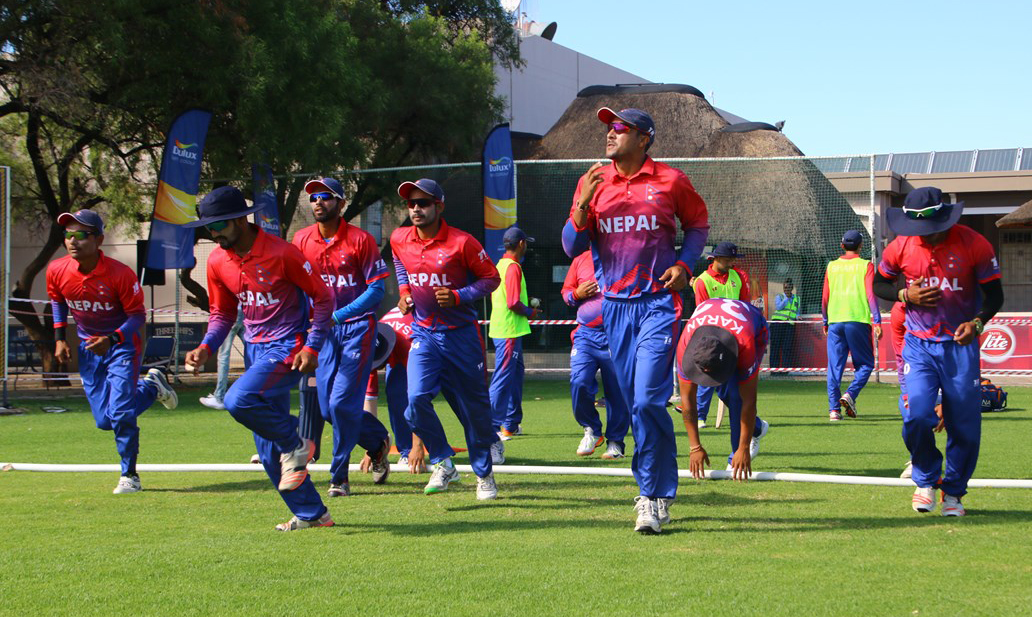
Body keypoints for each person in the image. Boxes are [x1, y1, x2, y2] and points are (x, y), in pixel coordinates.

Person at [562, 107, 709, 534]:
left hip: (658, 304)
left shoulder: (671, 180)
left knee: (646, 401)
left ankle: (650, 494)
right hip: (615, 308)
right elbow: (570, 245)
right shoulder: (593, 181)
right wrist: (583, 203)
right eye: (609, 128)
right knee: (634, 405)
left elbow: (697, 224)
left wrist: (685, 264)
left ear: (644, 138)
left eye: (620, 128)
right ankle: (660, 488)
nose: (610, 134)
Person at [183, 186, 334, 531]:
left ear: (240, 220)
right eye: (208, 227)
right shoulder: (217, 261)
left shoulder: (283, 253)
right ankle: (313, 514)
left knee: (238, 399)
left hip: (288, 347)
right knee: (267, 451)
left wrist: (313, 346)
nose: (213, 234)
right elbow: (222, 313)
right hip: (256, 351)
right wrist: (206, 346)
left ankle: (297, 442)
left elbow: (324, 298)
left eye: (218, 225)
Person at [872, 186, 1003, 517]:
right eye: (919, 230)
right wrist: (904, 295)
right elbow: (879, 284)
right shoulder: (900, 246)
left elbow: (995, 296)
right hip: (919, 345)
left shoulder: (975, 244)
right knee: (917, 415)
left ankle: (954, 493)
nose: (926, 236)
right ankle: (926, 479)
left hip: (960, 347)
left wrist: (977, 322)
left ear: (946, 219)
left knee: (964, 425)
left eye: (932, 229)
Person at [47, 210, 178, 494]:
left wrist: (112, 338)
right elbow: (57, 300)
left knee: (119, 413)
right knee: (105, 421)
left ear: (99, 240)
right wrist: (59, 338)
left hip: (122, 346)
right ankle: (151, 388)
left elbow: (137, 316)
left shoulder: (120, 273)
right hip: (89, 350)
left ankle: (130, 475)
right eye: (68, 234)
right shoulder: (57, 270)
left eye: (81, 235)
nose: (72, 240)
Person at [390, 178, 503, 500]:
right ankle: (443, 460)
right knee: (415, 401)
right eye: (411, 203)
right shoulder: (399, 238)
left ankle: (484, 475)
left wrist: (458, 295)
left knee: (473, 412)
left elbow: (491, 279)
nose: (416, 209)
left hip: (461, 337)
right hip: (424, 333)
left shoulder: (462, 242)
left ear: (439, 206)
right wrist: (404, 292)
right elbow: (399, 263)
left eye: (423, 203)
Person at [292, 177, 392, 497]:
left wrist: (338, 315)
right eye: (313, 197)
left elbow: (377, 290)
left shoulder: (361, 240)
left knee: (340, 403)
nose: (318, 202)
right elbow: (296, 286)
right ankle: (377, 442)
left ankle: (339, 478)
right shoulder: (301, 239)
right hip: (322, 332)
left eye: (325, 196)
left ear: (341, 203)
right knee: (327, 409)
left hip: (358, 328)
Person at [676, 298, 769, 482]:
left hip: (753, 328)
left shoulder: (745, 343)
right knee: (725, 392)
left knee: (736, 397)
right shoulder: (684, 346)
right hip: (717, 322)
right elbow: (687, 400)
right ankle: (757, 428)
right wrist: (695, 447)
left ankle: (736, 454)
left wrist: (743, 448)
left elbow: (749, 401)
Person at [562, 250, 630, 459]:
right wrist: (576, 294)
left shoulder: (625, 255)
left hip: (617, 334)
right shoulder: (580, 259)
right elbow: (566, 292)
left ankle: (616, 442)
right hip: (585, 335)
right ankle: (591, 429)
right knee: (579, 381)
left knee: (617, 391)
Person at [822, 230, 882, 421]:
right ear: (861, 246)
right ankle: (850, 394)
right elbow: (871, 294)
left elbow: (825, 296)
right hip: (857, 321)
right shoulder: (865, 265)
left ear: (842, 245)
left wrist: (825, 320)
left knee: (834, 368)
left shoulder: (832, 266)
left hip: (835, 321)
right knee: (866, 365)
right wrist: (877, 320)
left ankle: (834, 411)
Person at [691, 241, 752, 428]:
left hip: (736, 335)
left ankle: (741, 415)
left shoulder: (738, 276)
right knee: (707, 375)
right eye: (728, 260)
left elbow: (745, 306)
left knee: (738, 378)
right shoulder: (703, 281)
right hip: (711, 336)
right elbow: (703, 313)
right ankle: (700, 416)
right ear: (716, 259)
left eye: (734, 259)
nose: (732, 263)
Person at [488, 226, 540, 441]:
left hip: (508, 330)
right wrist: (530, 312)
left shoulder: (500, 265)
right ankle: (491, 428)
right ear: (521, 244)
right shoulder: (512, 267)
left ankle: (510, 424)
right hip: (508, 331)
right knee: (502, 378)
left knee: (515, 377)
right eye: (526, 242)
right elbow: (512, 303)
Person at [199, 307, 243, 410]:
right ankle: (260, 394)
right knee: (253, 353)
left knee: (223, 356)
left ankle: (219, 397)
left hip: (231, 313)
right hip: (245, 313)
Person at [769, 278, 799, 369]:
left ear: (792, 288)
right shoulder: (780, 296)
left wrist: (797, 316)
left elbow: (796, 311)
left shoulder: (797, 298)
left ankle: (786, 370)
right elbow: (779, 307)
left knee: (787, 347)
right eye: (785, 288)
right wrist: (786, 299)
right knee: (775, 347)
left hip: (789, 325)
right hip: (778, 324)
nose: (786, 290)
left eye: (788, 288)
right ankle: (774, 370)